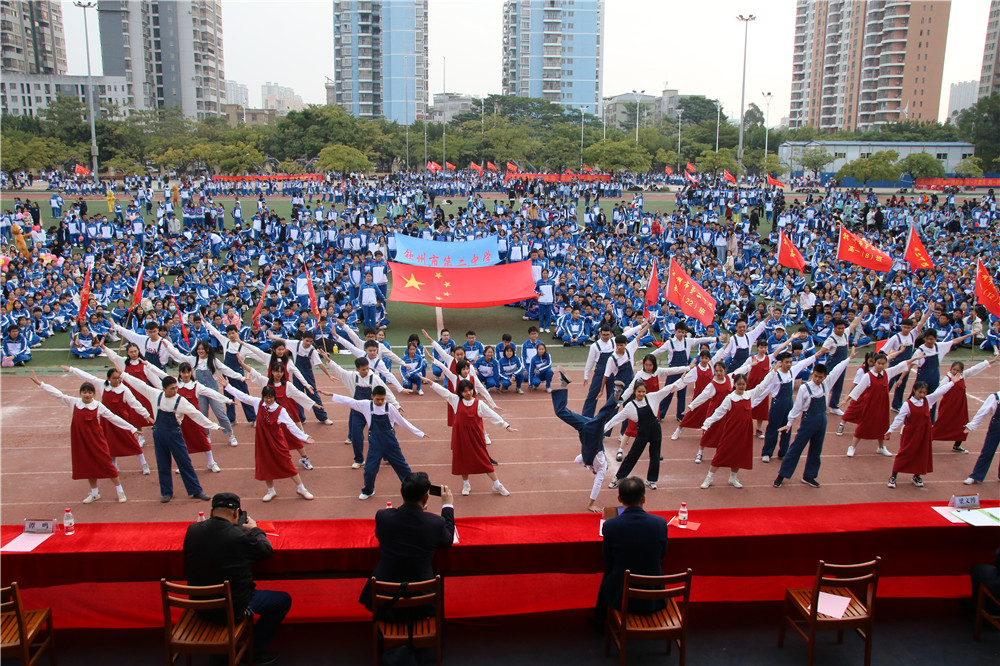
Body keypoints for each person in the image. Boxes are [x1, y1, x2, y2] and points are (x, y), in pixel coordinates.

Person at [184, 492, 289, 666]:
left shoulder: (192, 530)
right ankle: (256, 652)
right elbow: (266, 550)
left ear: (211, 513)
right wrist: (255, 529)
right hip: (234, 609)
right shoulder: (240, 536)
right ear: (236, 513)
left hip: (199, 607)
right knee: (283, 600)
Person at [29, 370, 133, 503]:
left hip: (97, 441)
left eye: (90, 392)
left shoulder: (98, 406)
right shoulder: (74, 402)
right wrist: (41, 384)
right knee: (88, 467)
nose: (87, 395)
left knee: (108, 465)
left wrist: (132, 428)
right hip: (82, 441)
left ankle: (120, 491)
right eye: (84, 392)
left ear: (94, 394)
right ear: (80, 393)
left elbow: (114, 418)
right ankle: (95, 493)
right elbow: (57, 395)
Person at [360, 472, 455, 616]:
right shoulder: (435, 523)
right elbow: (447, 540)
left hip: (385, 602)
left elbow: (382, 533)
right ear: (426, 497)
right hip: (422, 603)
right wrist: (447, 505)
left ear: (401, 492)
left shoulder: (383, 517)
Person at [121, 372, 216, 503]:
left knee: (185, 462)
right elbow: (139, 385)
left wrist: (212, 425)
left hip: (174, 434)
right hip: (159, 433)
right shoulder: (155, 395)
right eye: (172, 388)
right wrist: (124, 375)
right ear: (164, 388)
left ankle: (196, 490)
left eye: (176, 387)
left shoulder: (180, 400)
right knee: (163, 463)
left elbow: (195, 414)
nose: (175, 391)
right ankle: (166, 492)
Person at [221, 379, 316, 503]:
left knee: (287, 463)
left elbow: (291, 425)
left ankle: (301, 488)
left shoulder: (280, 410)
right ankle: (271, 490)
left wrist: (304, 436)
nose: (268, 400)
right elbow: (242, 396)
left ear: (274, 397)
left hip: (277, 441)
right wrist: (227, 386)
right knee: (265, 465)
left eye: (271, 397)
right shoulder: (257, 403)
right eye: (266, 397)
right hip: (262, 441)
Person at [326, 385, 426, 501]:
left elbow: (402, 422)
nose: (380, 402)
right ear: (372, 396)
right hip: (375, 443)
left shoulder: (390, 408)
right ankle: (368, 490)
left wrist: (420, 433)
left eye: (382, 399)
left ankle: (413, 491)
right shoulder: (366, 405)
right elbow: (350, 402)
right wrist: (333, 395)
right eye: (377, 399)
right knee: (369, 469)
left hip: (390, 443)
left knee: (403, 467)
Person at [595, 476, 668, 624]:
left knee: (609, 576)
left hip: (620, 599)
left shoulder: (611, 526)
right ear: (643, 499)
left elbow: (607, 561)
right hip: (655, 598)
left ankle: (599, 619)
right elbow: (661, 555)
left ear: (620, 499)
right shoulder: (660, 523)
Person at [774, 354, 854, 488]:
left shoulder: (826, 384)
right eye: (815, 376)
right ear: (813, 374)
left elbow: (837, 370)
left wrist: (849, 358)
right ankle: (782, 474)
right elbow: (797, 407)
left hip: (822, 420)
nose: (817, 379)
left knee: (816, 450)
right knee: (796, 448)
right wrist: (789, 423)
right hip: (808, 421)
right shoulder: (805, 388)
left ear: (824, 377)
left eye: (820, 377)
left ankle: (809, 475)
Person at [428, 378, 515, 497]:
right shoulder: (456, 400)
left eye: (470, 390)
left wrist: (506, 425)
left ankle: (497, 484)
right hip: (460, 436)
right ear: (460, 393)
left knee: (484, 460)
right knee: (462, 461)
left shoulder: (479, 404)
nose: (468, 393)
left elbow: (492, 415)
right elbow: (444, 392)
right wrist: (431, 383)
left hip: (475, 437)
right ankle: (466, 484)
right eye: (464, 391)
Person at [549, 368, 620, 512]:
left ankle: (564, 383)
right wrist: (591, 504)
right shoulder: (601, 466)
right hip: (594, 431)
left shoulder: (586, 461)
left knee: (561, 412)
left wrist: (588, 467)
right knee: (603, 414)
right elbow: (597, 484)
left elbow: (577, 460)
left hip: (584, 427)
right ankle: (617, 392)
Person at [885, 378, 957, 488]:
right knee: (904, 453)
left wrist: (953, 382)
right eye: (920, 392)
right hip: (911, 433)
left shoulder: (928, 400)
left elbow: (940, 391)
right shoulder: (907, 404)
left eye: (924, 392)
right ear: (914, 390)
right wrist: (890, 430)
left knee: (921, 454)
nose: (922, 395)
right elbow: (899, 418)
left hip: (924, 433)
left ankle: (917, 475)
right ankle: (893, 476)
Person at [931, 358, 997, 454]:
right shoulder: (947, 378)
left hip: (960, 406)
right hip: (948, 406)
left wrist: (989, 362)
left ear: (961, 371)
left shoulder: (963, 376)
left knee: (962, 424)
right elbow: (938, 391)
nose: (956, 372)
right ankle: (928, 441)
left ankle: (957, 445)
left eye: (958, 370)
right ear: (951, 369)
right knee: (942, 423)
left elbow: (975, 369)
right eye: (954, 369)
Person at [963, 390, 1000, 485]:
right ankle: (976, 475)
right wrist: (972, 425)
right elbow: (983, 412)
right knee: (988, 450)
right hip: (997, 425)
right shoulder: (996, 397)